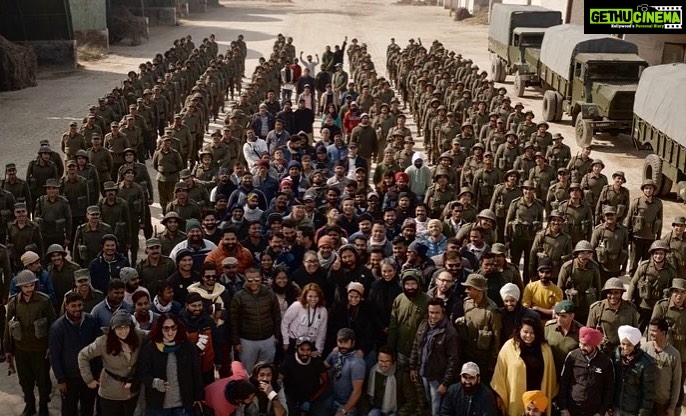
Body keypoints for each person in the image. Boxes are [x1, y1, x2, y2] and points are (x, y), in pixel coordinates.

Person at [4, 270, 56, 416]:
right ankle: (30, 404)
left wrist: (51, 347)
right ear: (20, 286)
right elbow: (7, 328)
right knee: (25, 381)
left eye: (31, 285)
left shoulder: (44, 301)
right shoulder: (14, 302)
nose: (29, 288)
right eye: (25, 286)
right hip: (21, 349)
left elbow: (53, 325)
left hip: (40, 349)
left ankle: (44, 405)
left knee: (43, 380)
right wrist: (8, 349)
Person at [78, 311, 147, 416]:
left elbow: (153, 334)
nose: (123, 331)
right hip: (110, 393)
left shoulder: (138, 336)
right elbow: (83, 355)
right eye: (119, 328)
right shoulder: (103, 342)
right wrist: (88, 379)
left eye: (126, 327)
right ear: (113, 328)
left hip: (131, 392)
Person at [137, 313, 204, 416]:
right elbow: (142, 373)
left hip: (183, 404)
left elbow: (196, 372)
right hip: (158, 405)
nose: (170, 332)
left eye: (173, 328)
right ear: (160, 329)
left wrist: (198, 396)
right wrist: (155, 382)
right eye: (166, 329)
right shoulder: (150, 348)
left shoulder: (188, 346)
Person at [491, 317, 558, 416]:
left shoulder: (545, 349)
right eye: (525, 332)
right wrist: (499, 396)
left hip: (538, 396)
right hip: (516, 395)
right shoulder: (509, 347)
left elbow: (550, 375)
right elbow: (499, 373)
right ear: (519, 330)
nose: (528, 336)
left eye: (532, 333)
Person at [50, 292, 100, 416]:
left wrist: (97, 373)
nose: (77, 309)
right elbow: (54, 356)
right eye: (74, 306)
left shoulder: (91, 321)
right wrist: (60, 379)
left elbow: (98, 348)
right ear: (66, 306)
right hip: (69, 378)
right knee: (69, 409)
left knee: (87, 408)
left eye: (80, 305)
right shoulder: (57, 328)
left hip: (89, 376)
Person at [410, 297, 460, 416]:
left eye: (437, 313)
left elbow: (453, 359)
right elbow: (416, 345)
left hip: (438, 378)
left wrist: (445, 383)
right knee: (429, 402)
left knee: (436, 409)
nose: (433, 316)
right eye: (431, 312)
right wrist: (412, 366)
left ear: (443, 312)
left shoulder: (449, 332)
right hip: (424, 374)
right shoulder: (423, 324)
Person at [230, 267, 281, 373]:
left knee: (266, 370)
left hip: (268, 338)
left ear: (261, 278)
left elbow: (276, 315)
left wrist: (276, 335)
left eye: (257, 280)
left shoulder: (270, 293)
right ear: (245, 279)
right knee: (248, 372)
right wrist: (236, 342)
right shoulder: (238, 296)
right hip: (247, 340)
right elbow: (234, 321)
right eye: (250, 280)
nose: (254, 283)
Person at [557, 326, 614, 416]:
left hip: (594, 411)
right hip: (572, 409)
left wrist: (601, 412)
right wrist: (563, 408)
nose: (581, 347)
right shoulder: (572, 356)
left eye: (585, 345)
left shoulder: (606, 362)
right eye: (580, 343)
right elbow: (563, 382)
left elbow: (609, 389)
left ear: (594, 345)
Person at [457, 273, 501, 383]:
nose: (466, 291)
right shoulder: (466, 303)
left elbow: (497, 338)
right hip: (467, 353)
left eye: (469, 288)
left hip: (483, 358)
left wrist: (493, 361)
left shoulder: (491, 310)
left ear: (479, 290)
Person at [278, 336, 330, 416]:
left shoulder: (317, 361)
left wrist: (311, 399)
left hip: (313, 398)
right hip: (292, 398)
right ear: (297, 348)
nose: (305, 353)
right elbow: (279, 381)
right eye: (302, 349)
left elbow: (326, 382)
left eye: (308, 350)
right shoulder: (288, 361)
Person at [587, 277, 640, 356]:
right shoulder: (597, 308)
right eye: (610, 293)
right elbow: (589, 332)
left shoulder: (630, 308)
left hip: (625, 350)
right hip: (604, 351)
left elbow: (635, 332)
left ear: (621, 293)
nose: (612, 296)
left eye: (616, 293)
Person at [612, 325, 656, 416]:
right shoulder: (614, 357)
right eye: (623, 344)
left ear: (635, 345)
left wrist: (642, 413)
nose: (626, 348)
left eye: (629, 345)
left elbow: (648, 393)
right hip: (615, 408)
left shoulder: (646, 363)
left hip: (633, 411)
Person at [644, 318, 682, 416]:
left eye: (654, 331)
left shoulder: (674, 354)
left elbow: (676, 382)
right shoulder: (644, 348)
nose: (651, 333)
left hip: (663, 404)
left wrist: (672, 407)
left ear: (663, 333)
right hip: (646, 402)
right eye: (650, 330)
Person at [324, 327, 366, 416]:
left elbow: (357, 391)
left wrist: (343, 411)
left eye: (346, 342)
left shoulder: (357, 363)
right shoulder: (335, 354)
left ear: (353, 343)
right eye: (340, 342)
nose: (343, 346)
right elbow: (323, 367)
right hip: (333, 400)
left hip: (348, 406)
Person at [281, 283, 328, 354]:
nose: (313, 299)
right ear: (305, 296)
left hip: (310, 344)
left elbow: (322, 332)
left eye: (316, 296)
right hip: (294, 341)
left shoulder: (323, 310)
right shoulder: (297, 305)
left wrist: (318, 350)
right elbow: (285, 323)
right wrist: (286, 341)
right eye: (310, 296)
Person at [499, 283, 539, 347]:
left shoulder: (531, 315)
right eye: (506, 301)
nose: (509, 304)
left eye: (512, 301)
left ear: (517, 300)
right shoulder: (500, 314)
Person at [367, 346, 400, 416]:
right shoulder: (373, 371)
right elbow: (366, 397)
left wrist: (400, 413)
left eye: (387, 361)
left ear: (392, 361)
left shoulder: (400, 375)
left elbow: (410, 400)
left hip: (394, 410)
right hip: (377, 407)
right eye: (381, 361)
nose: (383, 364)